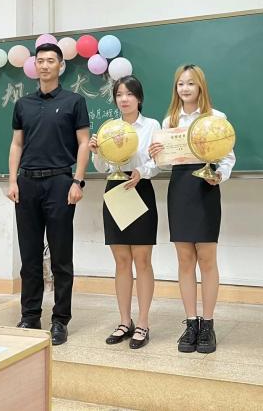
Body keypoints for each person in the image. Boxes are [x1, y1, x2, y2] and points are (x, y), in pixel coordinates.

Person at [7, 42, 90, 346]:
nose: (44, 65)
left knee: (60, 257)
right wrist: (12, 180)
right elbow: (17, 144)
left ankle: (60, 320)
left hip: (60, 183)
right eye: (40, 60)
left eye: (50, 61)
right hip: (27, 184)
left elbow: (84, 142)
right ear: (34, 65)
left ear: (60, 66)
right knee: (29, 256)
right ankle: (30, 315)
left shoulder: (74, 101)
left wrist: (77, 181)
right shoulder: (23, 104)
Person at [149, 64, 235, 354]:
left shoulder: (216, 118)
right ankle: (190, 323)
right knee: (185, 259)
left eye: (190, 83)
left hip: (205, 188)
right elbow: (164, 164)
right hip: (180, 188)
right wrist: (156, 155)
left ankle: (208, 324)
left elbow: (227, 157)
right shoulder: (170, 120)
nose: (185, 88)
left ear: (201, 87)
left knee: (207, 259)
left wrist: (219, 175)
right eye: (180, 84)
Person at [89, 75, 160, 349]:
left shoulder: (152, 125)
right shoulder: (110, 128)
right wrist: (96, 152)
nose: (124, 99)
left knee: (142, 260)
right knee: (121, 261)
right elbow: (102, 168)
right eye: (119, 94)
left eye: (129, 94)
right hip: (115, 189)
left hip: (139, 188)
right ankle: (124, 321)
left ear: (139, 98)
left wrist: (143, 171)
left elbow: (159, 160)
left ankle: (143, 322)